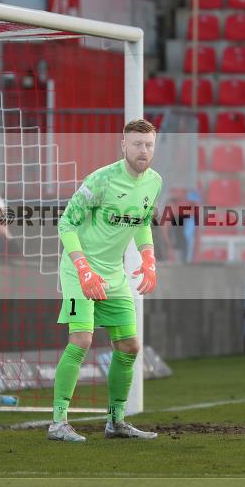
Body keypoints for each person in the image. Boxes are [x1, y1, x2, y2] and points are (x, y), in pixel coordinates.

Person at [47, 119, 162, 443]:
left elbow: (141, 223)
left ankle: (116, 421)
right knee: (81, 340)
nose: (144, 150)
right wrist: (83, 269)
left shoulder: (154, 182)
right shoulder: (100, 180)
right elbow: (67, 224)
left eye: (149, 145)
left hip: (112, 274)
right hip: (78, 271)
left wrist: (149, 258)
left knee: (129, 346)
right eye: (137, 144)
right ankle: (58, 422)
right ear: (123, 145)